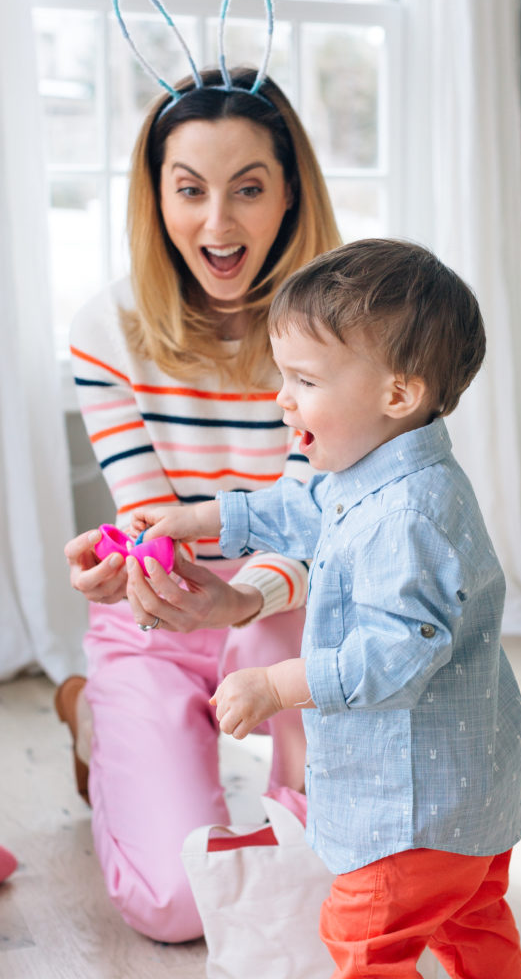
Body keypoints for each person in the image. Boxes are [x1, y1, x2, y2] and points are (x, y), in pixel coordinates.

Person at [132, 239, 521, 978]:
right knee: (472, 924)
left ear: (396, 394)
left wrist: (275, 684)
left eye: (305, 379)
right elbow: (302, 505)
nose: (283, 398)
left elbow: (394, 656)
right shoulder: (376, 471)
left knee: (364, 942)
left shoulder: (409, 514)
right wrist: (201, 519)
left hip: (416, 815)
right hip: (468, 800)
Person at [56, 59, 341, 943]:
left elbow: (323, 512)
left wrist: (250, 597)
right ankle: (92, 714)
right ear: (157, 198)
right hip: (170, 615)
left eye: (248, 189)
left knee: (340, 872)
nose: (217, 224)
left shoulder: (350, 327)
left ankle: (295, 792)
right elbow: (149, 520)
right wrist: (128, 564)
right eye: (190, 190)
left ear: (289, 193)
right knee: (178, 906)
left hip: (299, 607)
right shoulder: (108, 328)